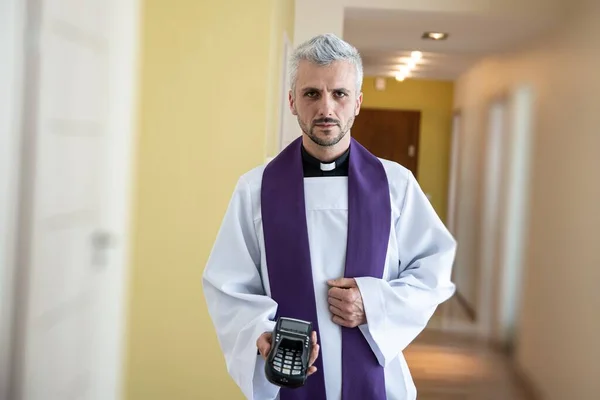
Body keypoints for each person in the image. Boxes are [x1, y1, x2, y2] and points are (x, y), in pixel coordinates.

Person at [202, 33, 456, 400]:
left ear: (357, 103)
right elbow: (227, 284)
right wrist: (259, 331)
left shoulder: (395, 185)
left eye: (339, 93)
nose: (326, 108)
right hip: (290, 377)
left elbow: (433, 271)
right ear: (292, 101)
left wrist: (373, 303)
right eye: (311, 93)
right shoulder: (256, 189)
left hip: (375, 384)